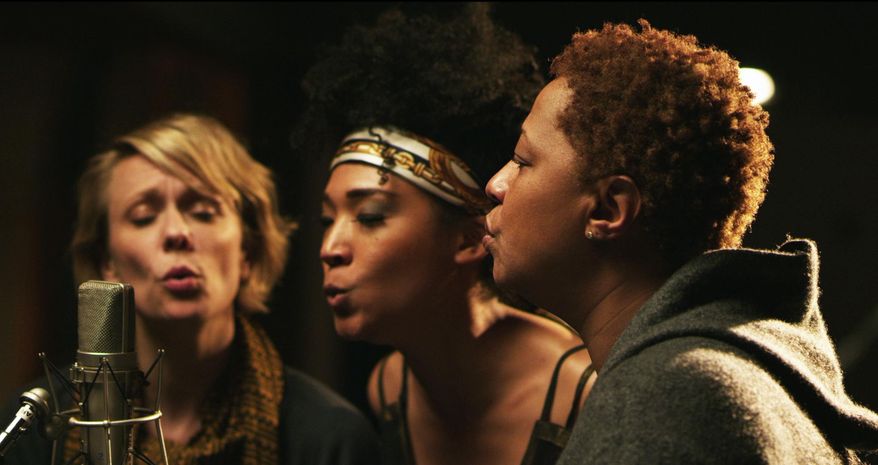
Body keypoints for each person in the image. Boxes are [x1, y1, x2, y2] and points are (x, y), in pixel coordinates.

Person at [483, 19, 878, 464]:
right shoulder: (733, 377)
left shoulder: (659, 405)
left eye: (522, 160)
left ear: (608, 210)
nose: (496, 185)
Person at [298, 5, 595, 465]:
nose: (330, 248)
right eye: (326, 219)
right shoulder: (389, 390)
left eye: (370, 216)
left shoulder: (584, 391)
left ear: (469, 240)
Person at [1, 113, 379, 465]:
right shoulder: (33, 430)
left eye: (202, 212)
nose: (176, 233)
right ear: (106, 262)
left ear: (247, 250)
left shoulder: (327, 439)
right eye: (144, 216)